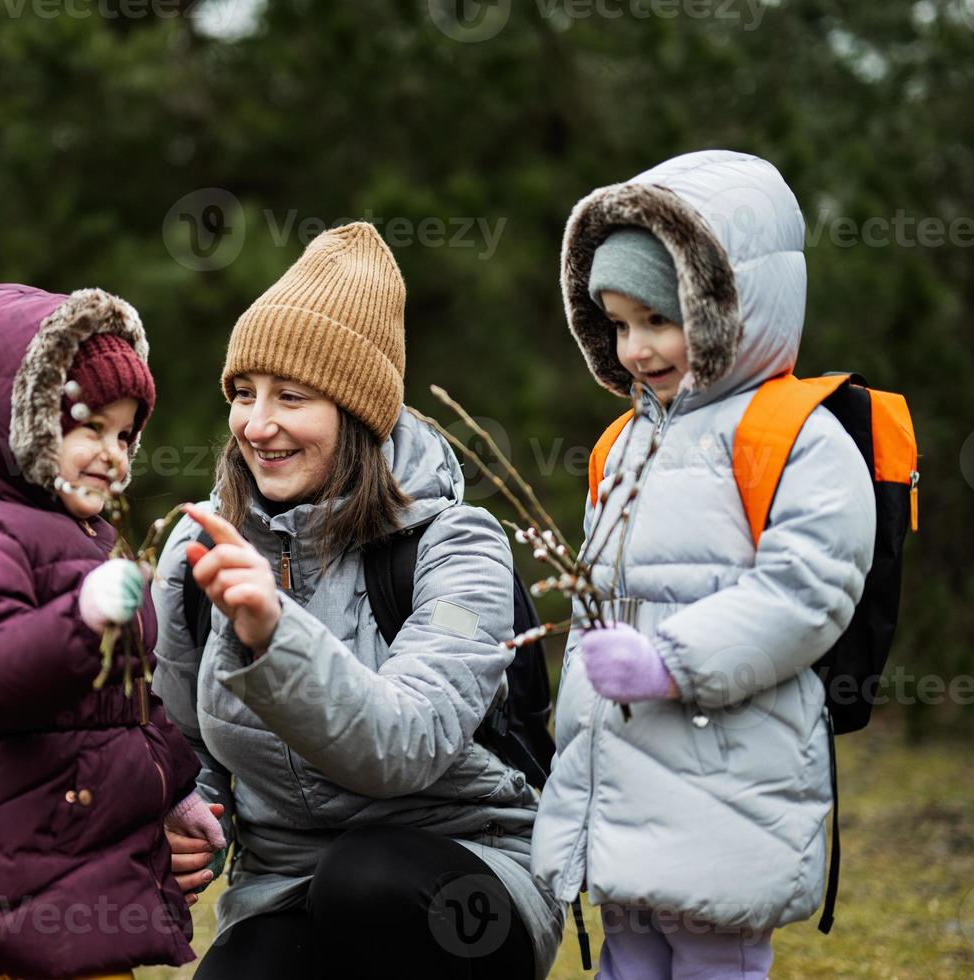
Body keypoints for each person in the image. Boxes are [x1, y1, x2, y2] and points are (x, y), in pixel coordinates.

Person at [151, 223, 564, 979]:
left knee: (364, 882)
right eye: (243, 393)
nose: (257, 424)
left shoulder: (458, 547)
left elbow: (406, 745)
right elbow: (184, 735)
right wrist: (191, 814)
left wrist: (275, 636)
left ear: (358, 414)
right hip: (284, 886)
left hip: (463, 867)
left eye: (292, 396)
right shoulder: (197, 553)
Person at [532, 150, 877, 978]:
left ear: (727, 307)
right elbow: (598, 600)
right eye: (616, 324)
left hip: (729, 770)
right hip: (621, 769)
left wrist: (669, 661)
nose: (637, 348)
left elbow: (808, 590)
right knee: (632, 955)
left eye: (659, 319)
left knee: (714, 955)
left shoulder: (796, 434)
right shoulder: (625, 444)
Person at [0, 282, 225, 979]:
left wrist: (177, 789)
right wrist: (82, 618)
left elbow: (124, 697)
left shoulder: (86, 541)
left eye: (125, 434)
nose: (113, 452)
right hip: (29, 842)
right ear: (23, 423)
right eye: (88, 426)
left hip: (89, 842)